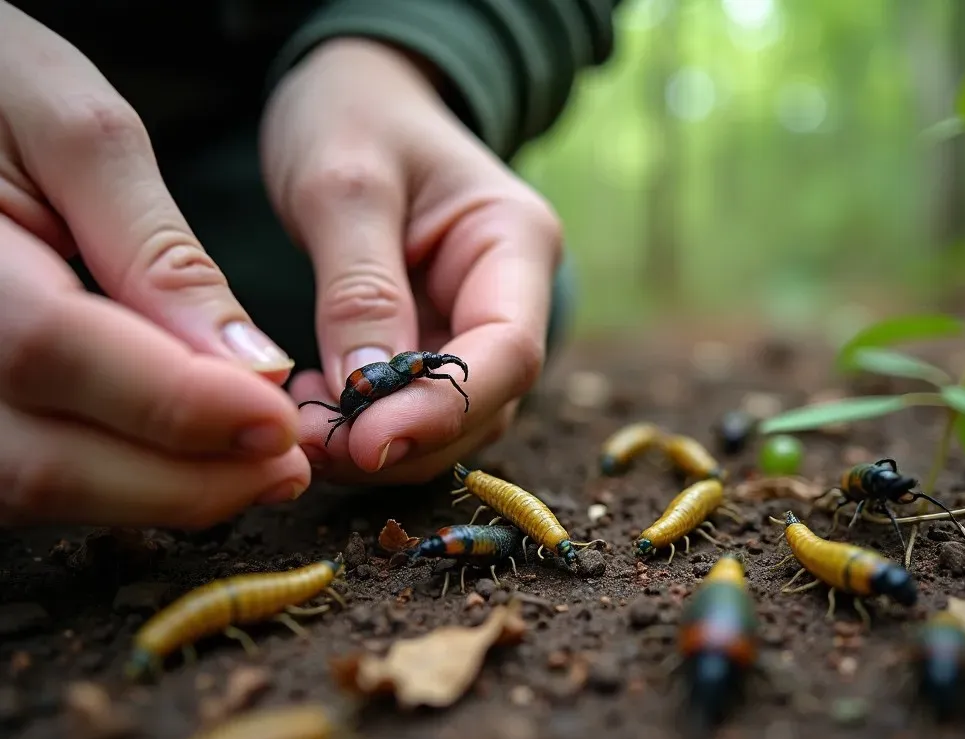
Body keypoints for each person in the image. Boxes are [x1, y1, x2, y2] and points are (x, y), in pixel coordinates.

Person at [0, 0, 623, 529]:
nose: (429, 369)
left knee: (505, 290)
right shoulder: (399, 371)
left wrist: (392, 56)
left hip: (273, 112)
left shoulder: (410, 369)